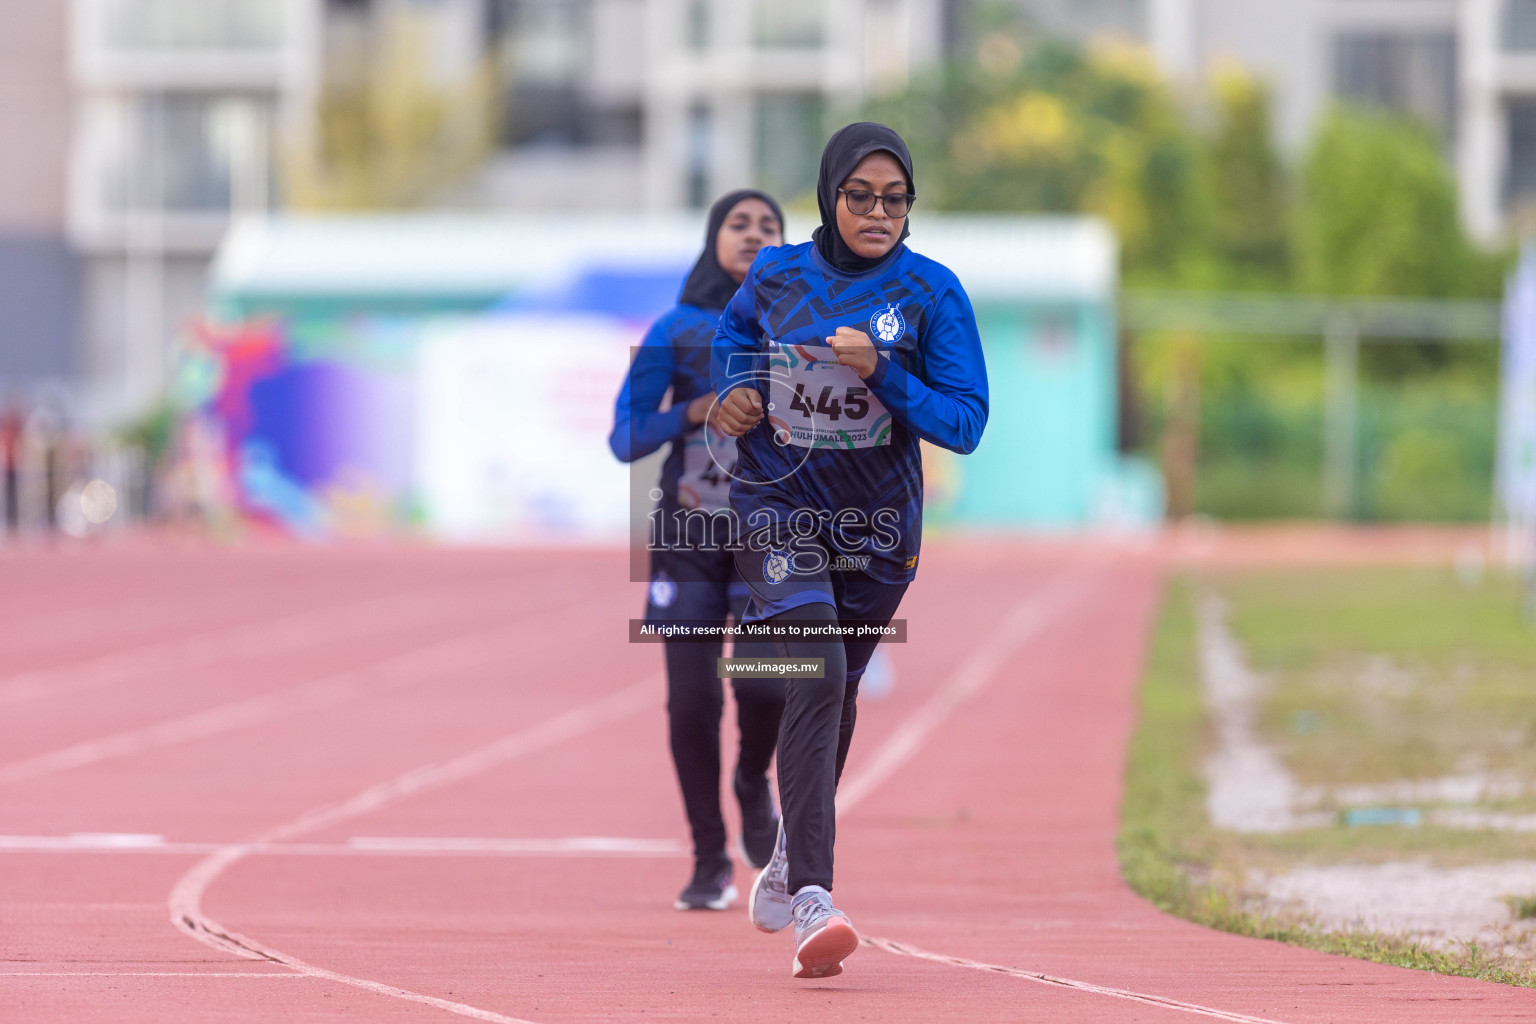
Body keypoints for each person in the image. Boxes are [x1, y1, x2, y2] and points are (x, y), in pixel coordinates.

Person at [711, 123, 988, 978]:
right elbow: (730, 346)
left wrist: (884, 375)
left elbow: (966, 423)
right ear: (830, 194)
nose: (877, 211)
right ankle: (815, 903)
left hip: (876, 528)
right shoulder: (778, 273)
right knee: (819, 672)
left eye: (895, 198)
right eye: (860, 195)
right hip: (778, 505)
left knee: (836, 693)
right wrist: (734, 396)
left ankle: (794, 848)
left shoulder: (932, 294)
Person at [610, 190, 789, 911]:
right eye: (737, 224)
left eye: (767, 227)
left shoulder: (802, 326)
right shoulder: (677, 331)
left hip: (771, 539)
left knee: (765, 686)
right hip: (687, 541)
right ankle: (709, 858)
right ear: (714, 238)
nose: (752, 235)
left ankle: (753, 778)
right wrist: (692, 410)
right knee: (690, 703)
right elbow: (625, 437)